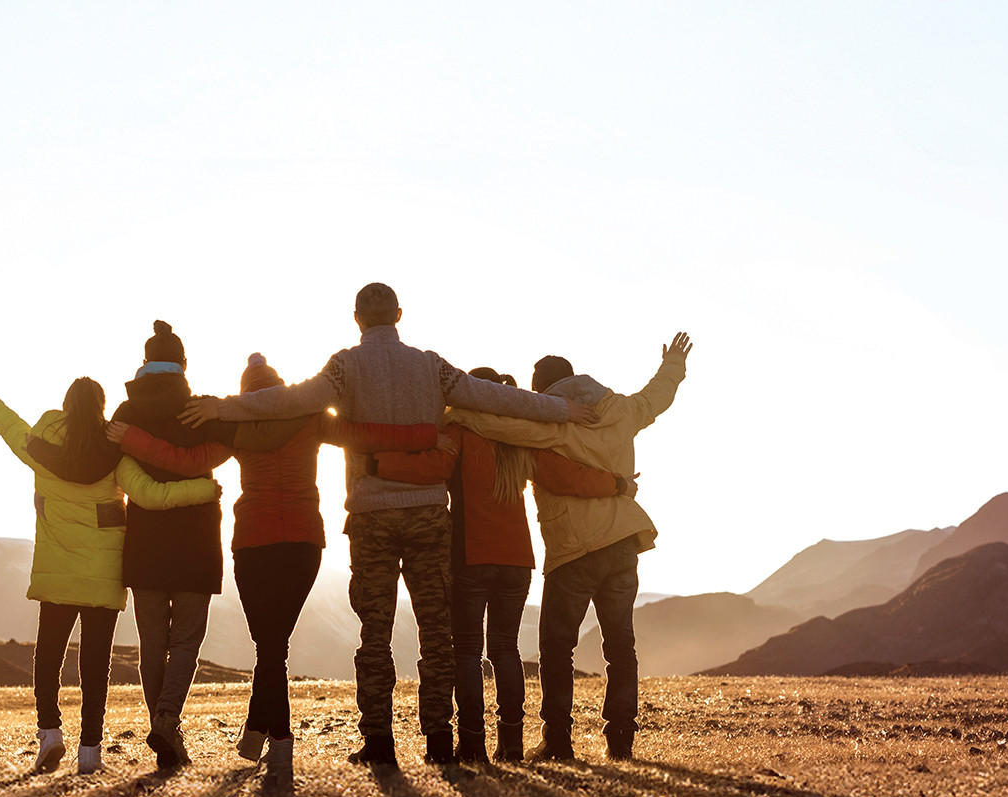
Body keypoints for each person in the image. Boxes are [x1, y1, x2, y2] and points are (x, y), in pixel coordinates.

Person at [181, 282, 592, 769]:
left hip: (372, 516)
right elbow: (494, 399)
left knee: (373, 633)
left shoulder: (344, 366)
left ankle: (378, 743)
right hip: (426, 513)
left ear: (357, 318)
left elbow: (290, 401)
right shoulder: (430, 365)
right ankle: (439, 740)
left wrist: (224, 406)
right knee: (436, 633)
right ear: (399, 314)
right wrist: (563, 409)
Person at [109, 353, 436, 769]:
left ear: (248, 397)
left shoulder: (238, 427)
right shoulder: (311, 417)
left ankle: (273, 738)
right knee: (272, 647)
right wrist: (425, 433)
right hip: (303, 543)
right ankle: (261, 735)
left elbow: (184, 462)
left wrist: (132, 439)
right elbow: (366, 435)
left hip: (254, 542)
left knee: (269, 647)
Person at [0, 354, 218, 776]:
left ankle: (50, 734)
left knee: (48, 656)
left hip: (56, 574)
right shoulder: (115, 456)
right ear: (101, 409)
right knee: (94, 665)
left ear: (65, 407)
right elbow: (151, 496)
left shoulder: (36, 446)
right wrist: (203, 489)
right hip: (103, 577)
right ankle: (91, 751)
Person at [445, 333, 692, 760]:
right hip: (621, 542)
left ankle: (557, 740)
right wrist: (673, 364)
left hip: (574, 550)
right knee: (621, 646)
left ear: (540, 392)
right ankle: (621, 742)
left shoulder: (548, 423)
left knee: (557, 648)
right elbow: (657, 397)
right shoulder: (622, 410)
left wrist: (456, 410)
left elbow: (500, 424)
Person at [373, 368, 636, 762]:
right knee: (505, 649)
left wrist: (377, 464)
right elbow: (567, 476)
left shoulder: (461, 432)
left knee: (467, 650)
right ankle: (511, 743)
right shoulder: (521, 440)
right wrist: (616, 484)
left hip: (471, 555)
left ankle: (473, 743)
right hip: (518, 561)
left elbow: (430, 467)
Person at [92, 320, 233, 770]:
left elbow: (103, 468)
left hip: (145, 542)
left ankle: (162, 723)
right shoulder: (200, 411)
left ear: (145, 364)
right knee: (188, 637)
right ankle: (168, 718)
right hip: (194, 541)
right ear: (184, 365)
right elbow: (226, 446)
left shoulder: (125, 415)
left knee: (153, 641)